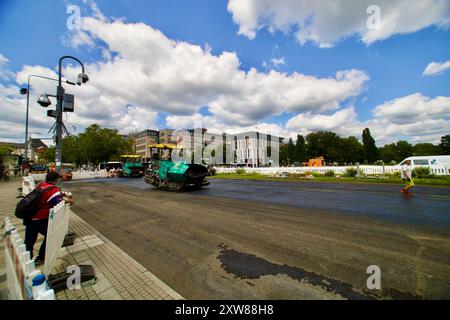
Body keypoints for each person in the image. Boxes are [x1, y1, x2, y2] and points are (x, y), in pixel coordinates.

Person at [24, 171, 74, 264]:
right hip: (40, 219)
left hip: (30, 216)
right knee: (50, 236)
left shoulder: (40, 185)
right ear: (56, 180)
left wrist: (61, 194)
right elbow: (57, 202)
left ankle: (27, 261)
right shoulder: (53, 189)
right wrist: (69, 200)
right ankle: (41, 257)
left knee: (29, 241)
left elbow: (46, 195)